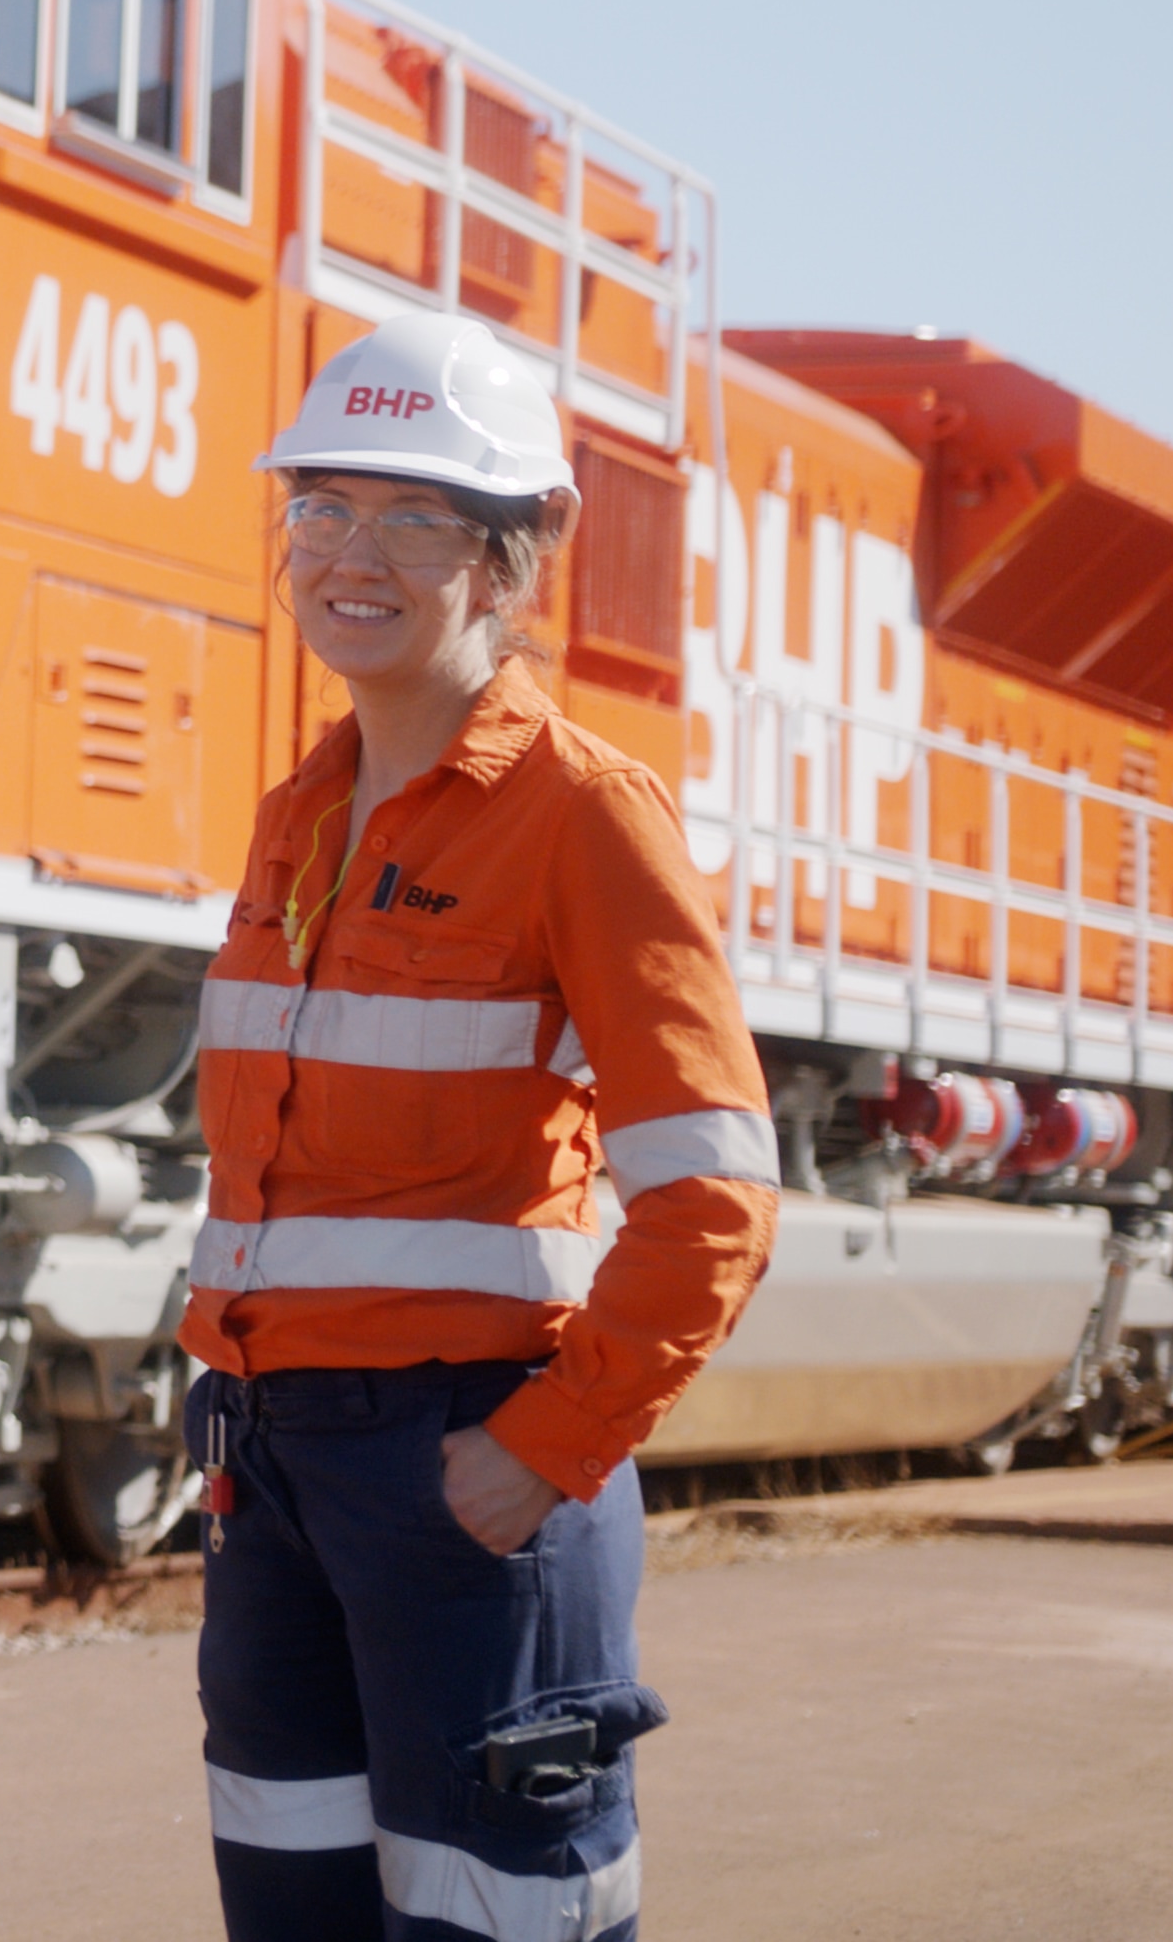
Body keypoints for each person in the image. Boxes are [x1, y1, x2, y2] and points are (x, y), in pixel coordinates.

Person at [186, 313, 780, 1942]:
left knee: (500, 1921)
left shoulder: (584, 814)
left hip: (464, 1461)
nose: (348, 556)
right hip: (274, 1469)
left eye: (414, 519)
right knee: (292, 1903)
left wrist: (546, 1449)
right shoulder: (302, 815)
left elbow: (717, 1197)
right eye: (321, 510)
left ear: (513, 567)